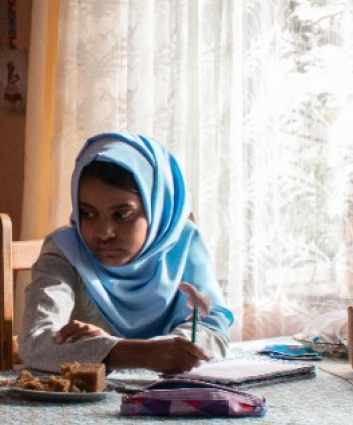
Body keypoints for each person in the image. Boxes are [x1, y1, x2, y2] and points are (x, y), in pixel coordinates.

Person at [19, 132, 234, 374]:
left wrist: (115, 350)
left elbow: (212, 329)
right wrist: (132, 352)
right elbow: (35, 343)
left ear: (158, 209)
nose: (104, 232)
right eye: (87, 213)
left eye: (122, 215)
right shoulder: (65, 252)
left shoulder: (182, 244)